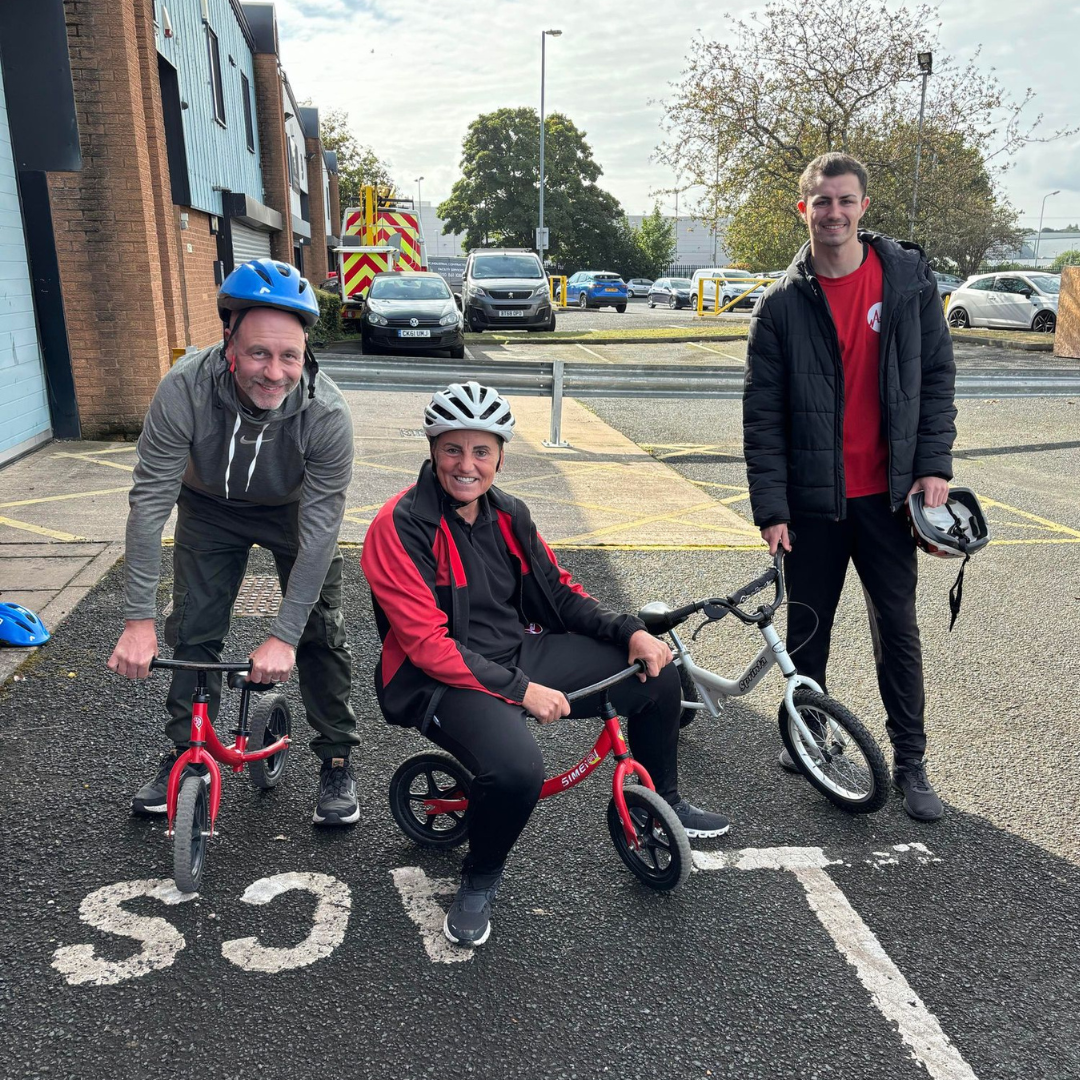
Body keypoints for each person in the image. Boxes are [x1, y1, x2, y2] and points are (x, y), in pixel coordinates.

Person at [361, 382, 730, 947]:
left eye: (481, 451)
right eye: (453, 449)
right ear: (433, 450)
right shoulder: (400, 525)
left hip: (515, 655)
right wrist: (522, 690)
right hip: (436, 679)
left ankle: (666, 803)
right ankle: (479, 878)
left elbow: (560, 594)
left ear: (500, 455)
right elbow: (426, 643)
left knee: (658, 678)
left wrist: (630, 630)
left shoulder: (509, 514)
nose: (467, 465)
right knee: (517, 772)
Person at [107, 258, 360, 826]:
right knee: (193, 629)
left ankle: (337, 757)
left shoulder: (328, 416)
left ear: (304, 354)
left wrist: (283, 636)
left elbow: (321, 532)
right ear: (228, 344)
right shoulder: (183, 390)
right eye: (258, 353)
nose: (274, 372)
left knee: (320, 629)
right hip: (208, 507)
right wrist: (137, 619)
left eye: (289, 356)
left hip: (294, 512)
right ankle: (187, 754)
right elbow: (149, 503)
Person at [743, 151, 957, 822]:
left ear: (864, 207)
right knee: (809, 630)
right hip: (812, 503)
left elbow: (937, 380)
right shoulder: (780, 305)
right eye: (820, 201)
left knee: (897, 629)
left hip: (889, 500)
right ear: (801, 209)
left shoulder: (907, 283)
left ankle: (912, 762)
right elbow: (762, 416)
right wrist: (772, 509)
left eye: (844, 200)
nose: (832, 212)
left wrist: (933, 467)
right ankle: (810, 735)